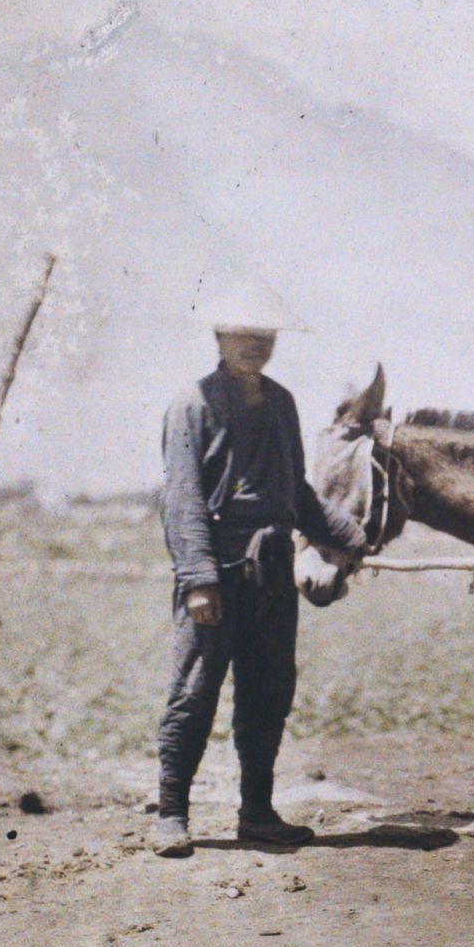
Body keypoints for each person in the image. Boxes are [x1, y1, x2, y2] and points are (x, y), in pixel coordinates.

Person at [152, 283, 369, 858]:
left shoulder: (281, 402)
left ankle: (258, 812)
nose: (255, 346)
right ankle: (171, 813)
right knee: (194, 693)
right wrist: (197, 579)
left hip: (272, 573)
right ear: (219, 338)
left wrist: (348, 536)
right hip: (216, 571)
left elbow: (295, 491)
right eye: (244, 336)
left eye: (264, 337)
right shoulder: (191, 405)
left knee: (268, 692)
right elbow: (183, 499)